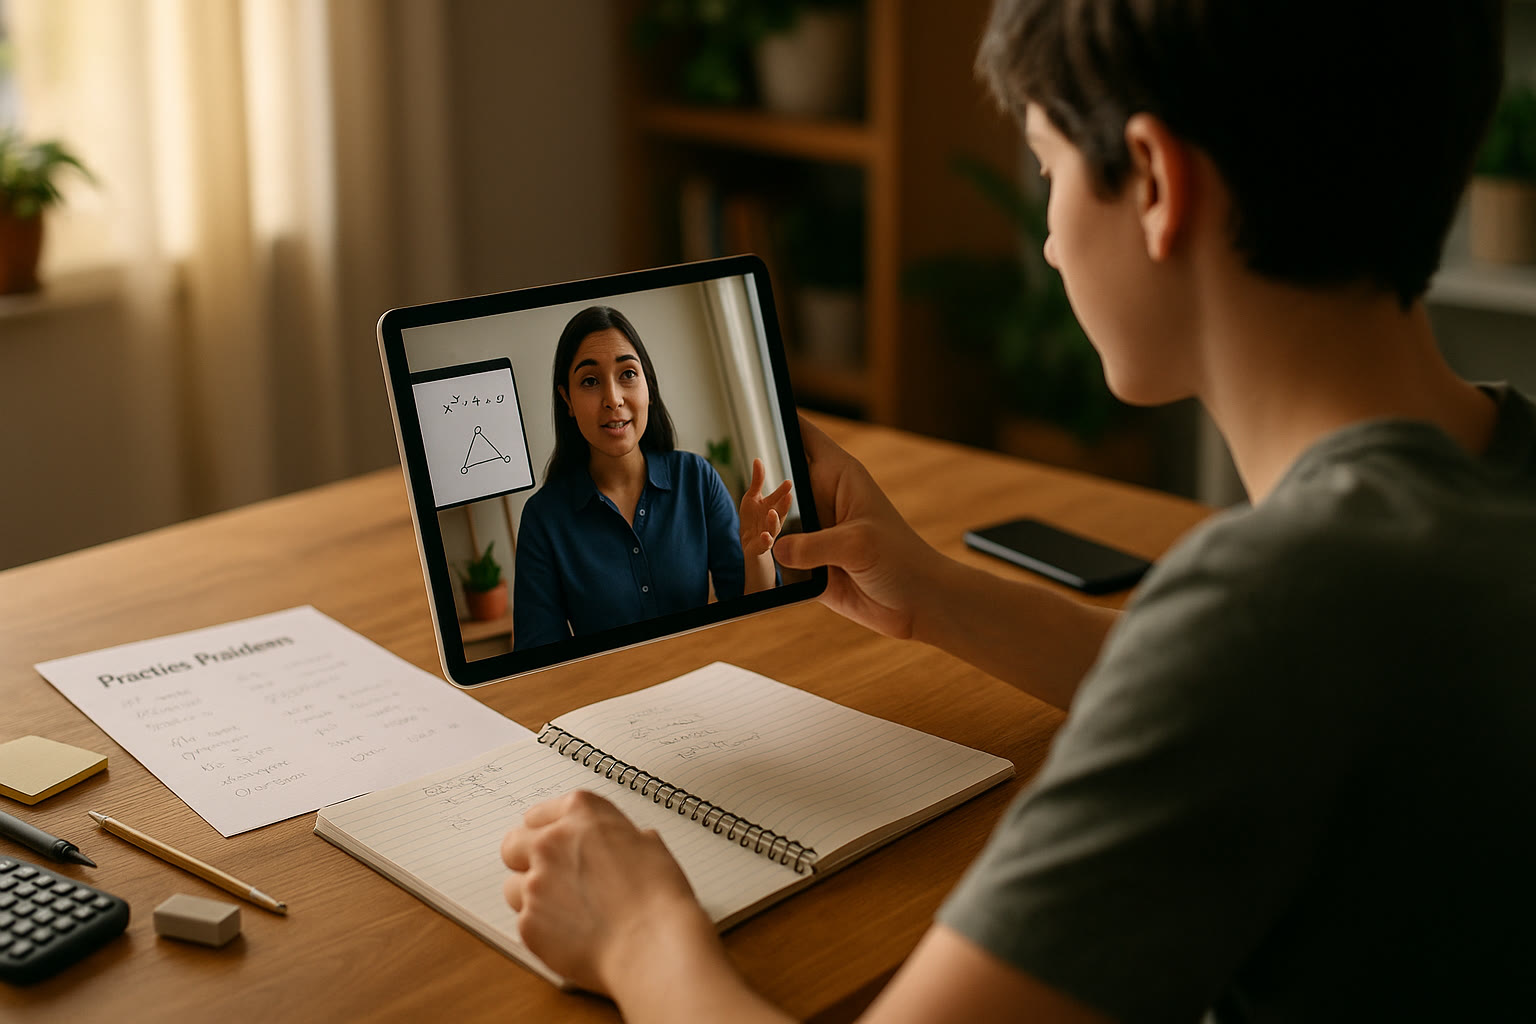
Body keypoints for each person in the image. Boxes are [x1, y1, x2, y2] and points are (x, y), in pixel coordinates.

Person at [499, 1, 1536, 1019]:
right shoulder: (1481, 488)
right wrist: (939, 598)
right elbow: (1262, 690)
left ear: (1157, 184)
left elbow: (1244, 665)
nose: (1045, 239)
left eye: (1046, 167)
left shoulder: (1276, 611)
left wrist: (638, 934)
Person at [513, 305, 791, 650]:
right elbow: (538, 657)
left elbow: (755, 621)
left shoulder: (697, 478)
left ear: (648, 386)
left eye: (627, 374)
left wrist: (757, 554)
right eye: (590, 381)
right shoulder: (543, 518)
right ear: (567, 400)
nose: (613, 400)